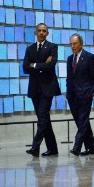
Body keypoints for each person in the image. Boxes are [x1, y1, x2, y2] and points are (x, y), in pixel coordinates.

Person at [22, 23, 61, 157]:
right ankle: (53, 149)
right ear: (35, 32)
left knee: (43, 117)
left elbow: (50, 66)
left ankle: (35, 147)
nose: (41, 33)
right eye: (39, 30)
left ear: (47, 33)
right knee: (43, 119)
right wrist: (42, 64)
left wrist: (34, 64)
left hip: (48, 88)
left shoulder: (52, 47)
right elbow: (25, 68)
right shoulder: (30, 49)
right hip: (34, 89)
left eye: (44, 31)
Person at [66, 33, 94, 156]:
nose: (73, 46)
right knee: (82, 121)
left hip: (85, 94)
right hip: (72, 95)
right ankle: (91, 147)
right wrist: (67, 92)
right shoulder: (70, 59)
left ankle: (76, 147)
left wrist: (93, 91)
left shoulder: (89, 57)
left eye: (75, 43)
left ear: (81, 44)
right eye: (71, 44)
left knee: (82, 121)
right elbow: (69, 77)